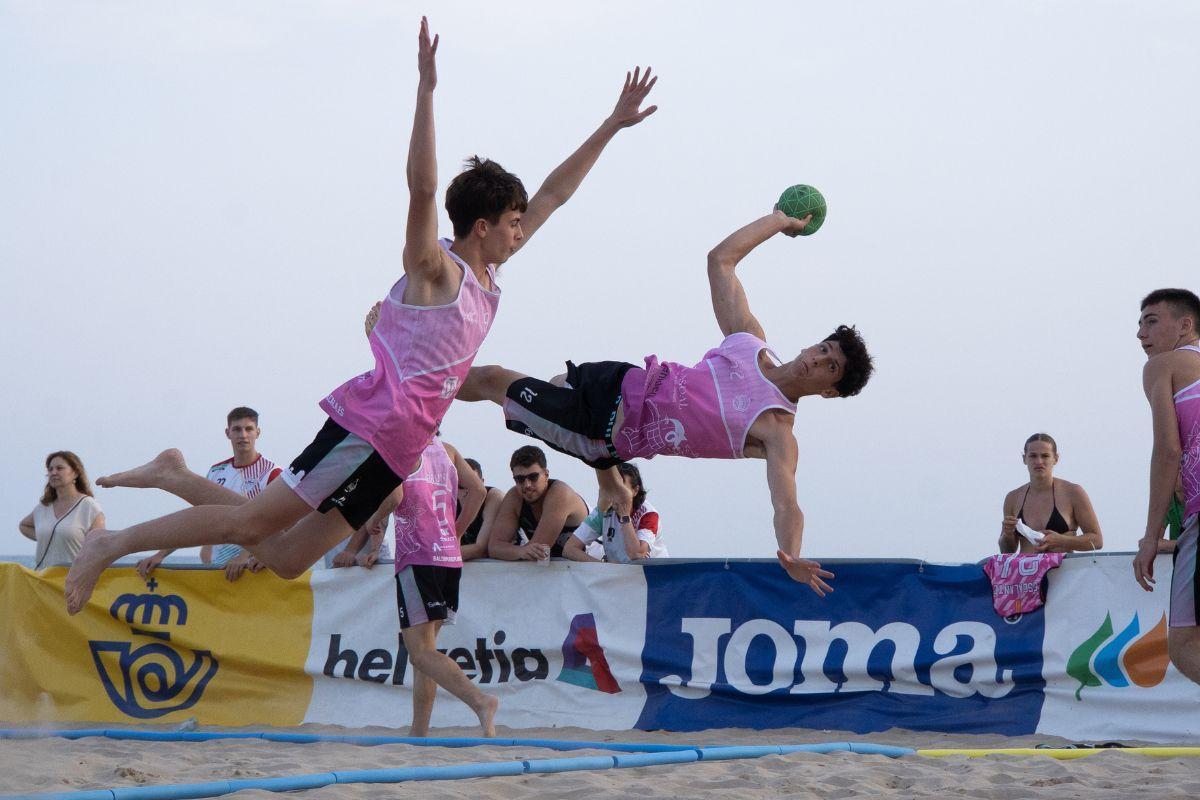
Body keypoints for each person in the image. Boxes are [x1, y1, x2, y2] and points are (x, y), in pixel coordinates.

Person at [63, 17, 659, 615]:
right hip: (367, 429)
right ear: (482, 226)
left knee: (289, 557)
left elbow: (553, 194)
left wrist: (610, 125)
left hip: (398, 451)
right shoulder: (437, 271)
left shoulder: (487, 279)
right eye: (510, 222)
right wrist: (426, 92)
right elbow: (421, 191)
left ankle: (174, 474)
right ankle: (113, 544)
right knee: (249, 525)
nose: (520, 231)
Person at [458, 208, 873, 593]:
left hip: (599, 428)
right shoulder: (750, 342)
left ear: (829, 390)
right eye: (823, 348)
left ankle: (424, 382)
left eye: (830, 367)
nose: (817, 359)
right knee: (549, 381)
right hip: (617, 376)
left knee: (494, 380)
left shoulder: (776, 429)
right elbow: (720, 260)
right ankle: (607, 477)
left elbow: (787, 503)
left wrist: (793, 556)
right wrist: (778, 221)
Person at [1133, 288, 1200, 685]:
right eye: (1139, 324)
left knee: (1183, 645)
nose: (1141, 333)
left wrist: (1150, 536)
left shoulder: (1164, 365)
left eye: (1151, 321)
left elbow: (1167, 450)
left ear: (1185, 325)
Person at [135, 407, 282, 582]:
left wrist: (245, 556)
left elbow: (280, 521)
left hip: (256, 573)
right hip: (219, 572)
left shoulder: (272, 473)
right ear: (228, 433)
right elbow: (196, 519)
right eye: (237, 429)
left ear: (258, 432)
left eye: (248, 429)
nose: (243, 435)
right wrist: (161, 555)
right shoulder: (216, 472)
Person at [998, 433, 1103, 554]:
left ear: (1055, 459)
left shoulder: (1073, 492)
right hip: (1026, 571)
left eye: (1045, 456)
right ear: (1024, 459)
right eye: (1033, 456)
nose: (1039, 461)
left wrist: (1061, 541)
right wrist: (1007, 534)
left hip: (1063, 570)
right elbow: (1007, 550)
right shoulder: (1013, 498)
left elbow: (1097, 540)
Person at [486, 446, 588, 562]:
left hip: (594, 564)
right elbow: (494, 547)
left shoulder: (560, 494)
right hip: (555, 569)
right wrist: (521, 551)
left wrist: (518, 551)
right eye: (520, 479)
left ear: (546, 474)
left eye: (533, 477)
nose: (527, 485)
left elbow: (539, 548)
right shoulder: (515, 496)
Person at [564, 462, 667, 563]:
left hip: (651, 575)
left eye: (621, 487)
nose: (616, 492)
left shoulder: (648, 514)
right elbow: (569, 549)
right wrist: (603, 567)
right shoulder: (603, 511)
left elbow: (637, 555)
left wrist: (625, 516)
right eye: (612, 487)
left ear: (635, 490)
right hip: (618, 574)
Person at [18, 452, 105, 570]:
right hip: (43, 581)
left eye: (59, 468)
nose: (53, 472)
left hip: (74, 582)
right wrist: (52, 538)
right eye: (50, 469)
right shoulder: (43, 507)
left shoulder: (89, 507)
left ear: (75, 473)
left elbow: (100, 549)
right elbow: (24, 526)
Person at [458, 458, 505, 561]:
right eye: (461, 486)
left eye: (473, 485)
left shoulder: (494, 498)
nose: (467, 491)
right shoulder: (447, 500)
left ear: (482, 483)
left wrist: (440, 555)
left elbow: (482, 549)